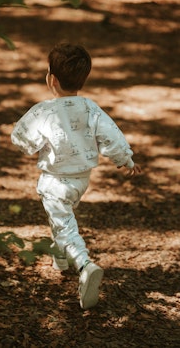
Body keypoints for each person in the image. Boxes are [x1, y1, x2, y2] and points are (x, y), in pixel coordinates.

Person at [11, 43, 141, 309]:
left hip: (54, 182)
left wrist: (29, 142)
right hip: (81, 181)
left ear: (51, 79)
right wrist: (125, 159)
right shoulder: (91, 108)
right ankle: (60, 255)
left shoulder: (43, 111)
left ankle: (84, 264)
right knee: (63, 219)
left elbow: (22, 139)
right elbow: (112, 137)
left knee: (64, 224)